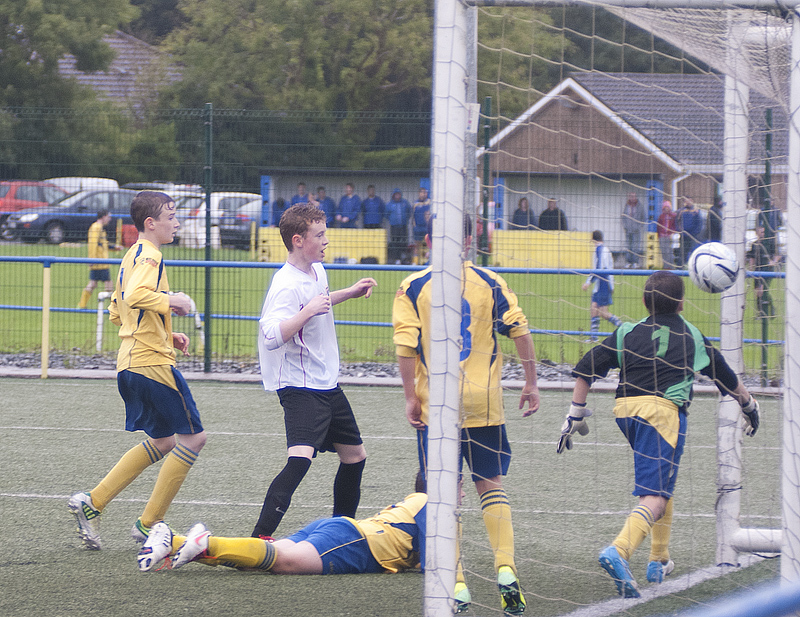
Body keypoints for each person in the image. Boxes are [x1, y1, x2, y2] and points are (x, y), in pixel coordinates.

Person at [558, 270, 760, 598]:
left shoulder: (627, 331)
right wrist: (748, 405)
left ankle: (658, 559)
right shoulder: (692, 335)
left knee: (663, 481)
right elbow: (724, 374)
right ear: (681, 304)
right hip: (662, 414)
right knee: (654, 496)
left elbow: (587, 366)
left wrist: (575, 412)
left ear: (643, 301)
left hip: (626, 412)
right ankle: (618, 550)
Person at [392, 216, 540, 615]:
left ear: (427, 240)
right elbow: (520, 329)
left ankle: (456, 583)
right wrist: (530, 382)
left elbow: (405, 347)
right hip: (483, 401)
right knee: (490, 484)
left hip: (437, 405)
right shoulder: (490, 281)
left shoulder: (412, 286)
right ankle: (506, 569)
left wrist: (410, 398)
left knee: (445, 495)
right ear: (471, 240)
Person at [68, 191, 207, 550]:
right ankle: (149, 525)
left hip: (130, 363)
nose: (177, 223)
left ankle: (92, 502)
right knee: (193, 439)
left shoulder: (130, 255)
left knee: (164, 441)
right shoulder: (150, 255)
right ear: (151, 223)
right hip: (151, 363)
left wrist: (165, 331)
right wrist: (174, 301)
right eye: (171, 216)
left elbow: (118, 311)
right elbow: (134, 296)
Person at [254, 204, 377, 540]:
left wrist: (348, 292)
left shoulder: (316, 270)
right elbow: (271, 335)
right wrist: (306, 312)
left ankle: (340, 533)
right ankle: (259, 538)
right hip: (299, 385)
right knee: (300, 460)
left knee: (355, 457)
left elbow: (319, 300)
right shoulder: (285, 284)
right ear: (298, 240)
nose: (326, 241)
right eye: (319, 235)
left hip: (325, 382)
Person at [138, 475, 428, 574]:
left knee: (263, 561)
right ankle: (206, 542)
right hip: (357, 542)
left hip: (345, 532)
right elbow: (433, 563)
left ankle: (172, 541)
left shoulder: (419, 501)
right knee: (282, 563)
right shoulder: (431, 503)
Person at [582, 230, 622, 341]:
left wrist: (588, 282)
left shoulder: (600, 250)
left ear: (593, 240)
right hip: (602, 284)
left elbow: (600, 269)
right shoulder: (604, 249)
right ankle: (594, 337)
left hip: (603, 284)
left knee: (603, 313)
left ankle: (623, 328)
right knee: (594, 309)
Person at [78, 208, 118, 309]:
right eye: (108, 217)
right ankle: (114, 307)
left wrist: (114, 247)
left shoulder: (99, 228)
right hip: (100, 262)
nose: (109, 219)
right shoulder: (96, 228)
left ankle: (82, 305)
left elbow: (102, 244)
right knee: (108, 283)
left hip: (100, 261)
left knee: (93, 283)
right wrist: (92, 259)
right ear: (103, 217)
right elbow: (93, 244)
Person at [748, 223, 781, 318]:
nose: (762, 233)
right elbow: (752, 258)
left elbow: (778, 255)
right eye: (760, 231)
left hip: (767, 270)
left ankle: (770, 310)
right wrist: (751, 268)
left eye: (763, 232)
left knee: (762, 291)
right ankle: (761, 312)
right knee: (757, 293)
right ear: (756, 232)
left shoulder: (769, 243)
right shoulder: (754, 244)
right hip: (757, 270)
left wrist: (773, 261)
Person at [385, 188, 411, 264]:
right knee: (395, 243)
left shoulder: (405, 203)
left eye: (398, 194)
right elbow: (386, 215)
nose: (397, 196)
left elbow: (409, 212)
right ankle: (396, 259)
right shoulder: (390, 204)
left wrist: (405, 219)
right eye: (396, 194)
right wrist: (392, 220)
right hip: (394, 227)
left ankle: (404, 259)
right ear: (393, 195)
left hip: (403, 226)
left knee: (404, 242)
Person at [621, 192, 646, 268]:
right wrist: (625, 226)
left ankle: (635, 262)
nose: (631, 198)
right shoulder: (626, 206)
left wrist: (639, 226)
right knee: (628, 246)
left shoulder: (640, 206)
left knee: (635, 247)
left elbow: (643, 217)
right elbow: (623, 216)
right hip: (628, 230)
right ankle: (628, 262)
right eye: (630, 196)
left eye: (633, 196)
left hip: (636, 230)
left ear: (635, 197)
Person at [678, 197, 703, 267]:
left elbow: (699, 223)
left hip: (692, 236)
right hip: (683, 235)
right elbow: (677, 222)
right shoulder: (681, 211)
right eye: (686, 201)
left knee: (692, 251)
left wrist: (695, 232)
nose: (688, 202)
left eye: (689, 201)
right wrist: (680, 231)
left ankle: (692, 266)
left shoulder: (696, 211)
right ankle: (680, 267)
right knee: (682, 252)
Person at [412, 187, 431, 262]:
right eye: (422, 192)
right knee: (417, 245)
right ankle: (415, 263)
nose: (424, 194)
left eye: (425, 192)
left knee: (429, 245)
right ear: (419, 193)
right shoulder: (415, 204)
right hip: (418, 228)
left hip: (427, 227)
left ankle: (428, 261)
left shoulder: (430, 202)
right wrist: (414, 226)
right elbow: (412, 216)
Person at [656, 201, 677, 269]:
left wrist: (673, 233)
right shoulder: (661, 216)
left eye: (668, 207)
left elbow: (675, 225)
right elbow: (658, 227)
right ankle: (665, 265)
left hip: (669, 236)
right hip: (662, 236)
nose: (666, 209)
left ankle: (671, 266)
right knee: (663, 251)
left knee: (669, 251)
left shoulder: (673, 216)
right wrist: (659, 236)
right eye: (665, 207)